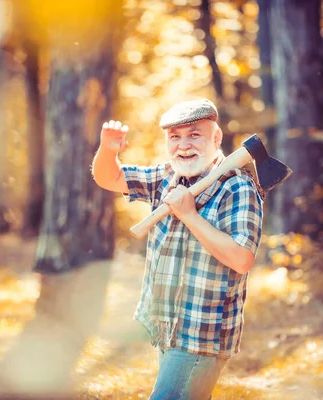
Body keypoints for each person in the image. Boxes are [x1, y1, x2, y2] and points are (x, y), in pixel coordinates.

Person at [92, 98, 263, 399]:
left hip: (202, 334)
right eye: (175, 136)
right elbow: (110, 177)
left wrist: (189, 215)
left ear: (216, 138)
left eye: (194, 134)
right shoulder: (165, 178)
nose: (184, 145)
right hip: (166, 326)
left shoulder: (237, 186)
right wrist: (108, 149)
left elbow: (241, 259)